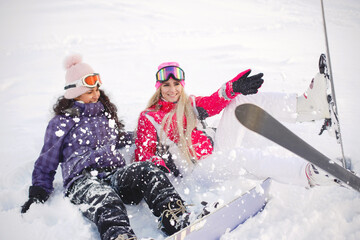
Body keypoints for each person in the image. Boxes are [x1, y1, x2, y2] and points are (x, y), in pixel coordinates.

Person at [21, 55, 196, 240]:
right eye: (89, 91)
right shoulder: (61, 122)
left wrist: (151, 133)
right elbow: (47, 160)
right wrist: (38, 192)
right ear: (75, 94)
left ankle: (177, 218)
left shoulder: (104, 115)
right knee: (105, 199)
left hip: (114, 175)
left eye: (97, 89)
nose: (96, 94)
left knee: (147, 170)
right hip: (82, 181)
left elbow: (119, 138)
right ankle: (120, 236)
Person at [134, 61, 339, 189]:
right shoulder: (149, 117)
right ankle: (308, 174)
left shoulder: (190, 105)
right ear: (159, 87)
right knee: (242, 157)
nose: (172, 90)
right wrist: (165, 164)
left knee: (240, 101)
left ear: (182, 85)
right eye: (166, 85)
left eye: (176, 84)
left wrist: (233, 87)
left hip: (216, 152)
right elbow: (143, 157)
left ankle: (308, 107)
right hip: (198, 172)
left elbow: (215, 102)